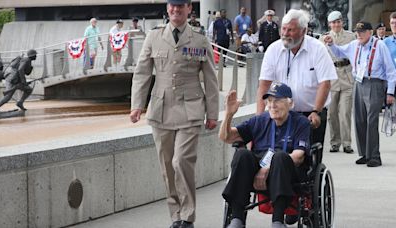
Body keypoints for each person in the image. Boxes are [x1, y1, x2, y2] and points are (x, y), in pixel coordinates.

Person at [129, 0, 219, 227]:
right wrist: (137, 105)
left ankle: (188, 216)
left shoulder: (199, 39)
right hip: (160, 109)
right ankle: (176, 216)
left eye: (181, 6)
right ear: (167, 8)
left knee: (181, 162)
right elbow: (142, 73)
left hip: (191, 110)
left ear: (189, 9)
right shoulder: (154, 37)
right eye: (172, 6)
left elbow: (210, 79)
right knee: (167, 166)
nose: (175, 10)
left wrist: (213, 113)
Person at [220, 82, 311, 228]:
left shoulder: (300, 123)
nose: (272, 105)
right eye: (269, 101)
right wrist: (229, 115)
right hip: (258, 163)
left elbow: (299, 156)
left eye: (277, 101)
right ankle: (237, 219)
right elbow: (227, 137)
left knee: (280, 157)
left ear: (290, 104)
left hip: (287, 169)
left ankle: (278, 221)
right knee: (242, 155)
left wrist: (267, 168)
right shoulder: (260, 120)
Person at [257, 9, 337, 151]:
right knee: (279, 156)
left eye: (290, 30)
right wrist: (259, 119)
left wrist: (316, 111)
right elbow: (264, 85)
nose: (285, 34)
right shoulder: (273, 50)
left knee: (307, 158)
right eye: (284, 29)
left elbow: (325, 83)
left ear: (303, 31)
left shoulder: (318, 49)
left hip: (310, 115)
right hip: (281, 114)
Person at [323, 21, 396, 167]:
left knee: (372, 120)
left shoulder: (379, 46)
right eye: (357, 32)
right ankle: (364, 154)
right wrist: (331, 44)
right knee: (359, 120)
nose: (359, 34)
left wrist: (390, 92)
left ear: (370, 32)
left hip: (374, 83)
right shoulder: (354, 44)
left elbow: (391, 71)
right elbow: (339, 52)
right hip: (358, 83)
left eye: (362, 32)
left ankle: (374, 156)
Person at [319, 11, 355, 153]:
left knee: (345, 112)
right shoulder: (323, 39)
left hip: (347, 76)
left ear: (342, 22)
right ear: (329, 24)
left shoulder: (351, 36)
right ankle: (335, 142)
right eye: (333, 22)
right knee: (332, 113)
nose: (336, 25)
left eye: (338, 22)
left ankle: (347, 143)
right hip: (332, 78)